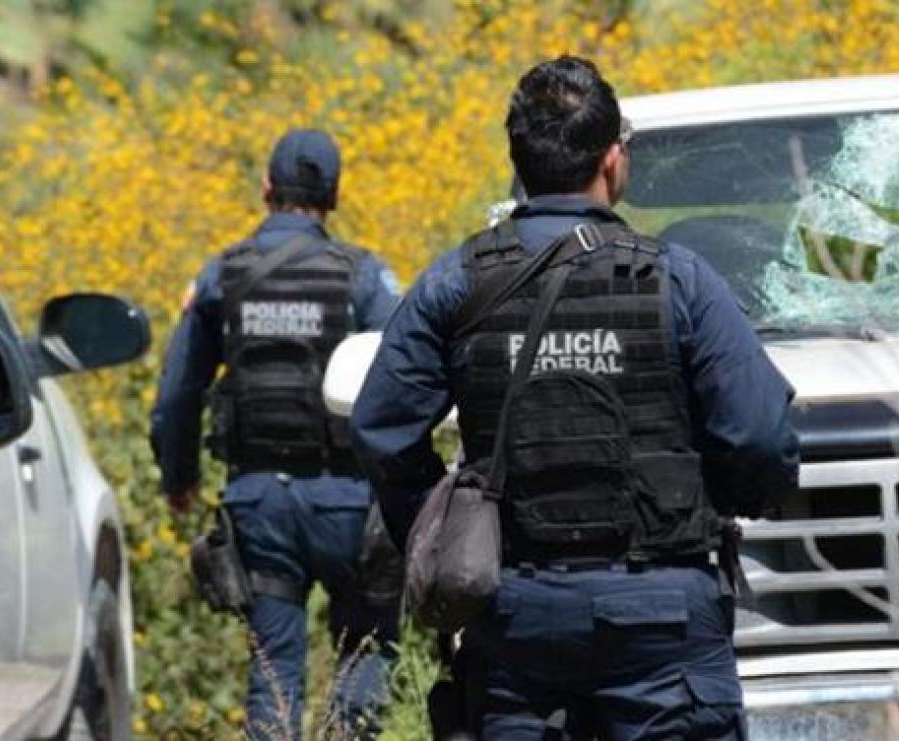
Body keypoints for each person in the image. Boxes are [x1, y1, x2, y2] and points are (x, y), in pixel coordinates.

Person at [351, 57, 799, 739]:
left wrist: (452, 532)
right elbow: (760, 435)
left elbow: (382, 428)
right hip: (663, 615)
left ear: (518, 160)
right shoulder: (679, 280)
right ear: (613, 159)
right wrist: (717, 504)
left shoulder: (457, 282)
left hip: (518, 614)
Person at [150, 128, 402, 740]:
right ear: (334, 195)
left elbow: (177, 395)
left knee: (273, 670)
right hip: (348, 501)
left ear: (266, 187)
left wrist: (179, 479)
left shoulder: (222, 276)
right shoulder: (363, 277)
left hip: (260, 502)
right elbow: (404, 380)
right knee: (366, 650)